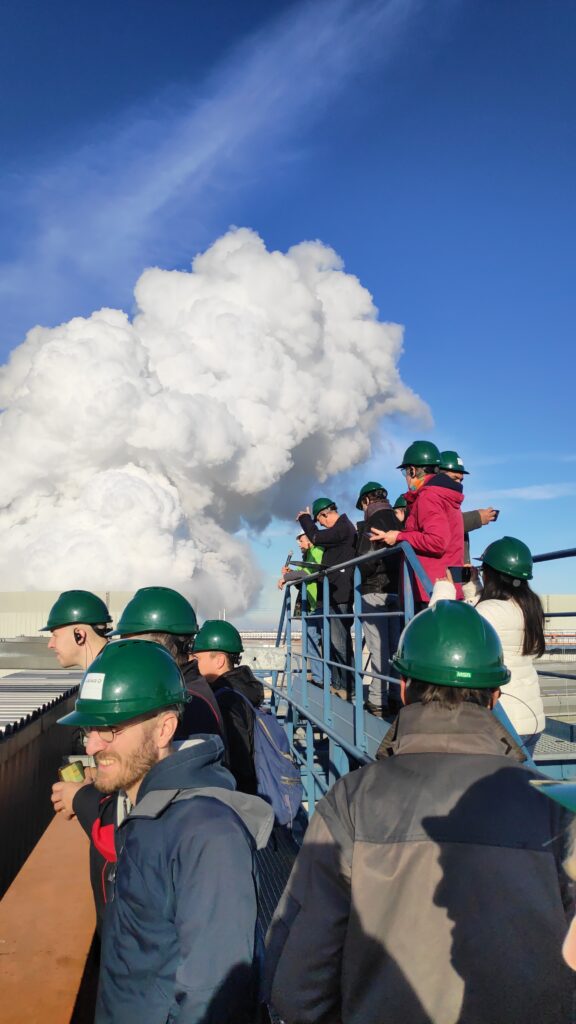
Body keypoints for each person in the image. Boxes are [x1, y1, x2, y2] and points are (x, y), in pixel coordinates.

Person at [265, 600, 574, 1024]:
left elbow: (299, 979)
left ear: (404, 687)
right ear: (495, 697)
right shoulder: (557, 803)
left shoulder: (350, 800)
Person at [58, 639, 274, 1024]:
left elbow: (214, 999)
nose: (92, 744)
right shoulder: (148, 811)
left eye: (110, 728)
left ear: (164, 730)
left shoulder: (208, 833)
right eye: (90, 728)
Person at [433, 536, 546, 755]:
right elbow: (491, 615)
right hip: (531, 719)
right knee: (518, 785)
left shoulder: (489, 611)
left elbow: (444, 635)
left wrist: (443, 592)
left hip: (502, 720)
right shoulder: (531, 606)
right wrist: (473, 587)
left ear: (492, 575)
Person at [112, 585, 223, 739]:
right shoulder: (181, 688)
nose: (126, 655)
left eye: (130, 646)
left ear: (156, 647)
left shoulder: (186, 702)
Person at [369, 441, 464, 608]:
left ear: (412, 470)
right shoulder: (444, 496)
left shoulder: (429, 496)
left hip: (430, 591)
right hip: (445, 588)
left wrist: (398, 536)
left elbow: (437, 541)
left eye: (405, 471)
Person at [192, 620, 265, 795]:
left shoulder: (226, 701)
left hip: (237, 799)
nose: (194, 663)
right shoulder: (242, 689)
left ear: (219, 661)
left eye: (198, 658)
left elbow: (238, 765)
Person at [297, 497, 356, 697]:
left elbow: (316, 537)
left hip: (339, 595)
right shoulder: (342, 528)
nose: (321, 524)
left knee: (340, 645)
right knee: (334, 644)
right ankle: (340, 685)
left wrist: (305, 518)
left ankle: (349, 687)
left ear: (325, 514)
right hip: (332, 594)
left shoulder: (343, 527)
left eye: (320, 520)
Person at [355, 481, 403, 716]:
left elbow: (365, 557)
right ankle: (395, 695)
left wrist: (359, 574)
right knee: (395, 648)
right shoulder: (396, 520)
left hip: (374, 590)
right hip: (396, 590)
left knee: (377, 648)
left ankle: (376, 699)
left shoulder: (372, 520)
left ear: (366, 501)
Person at [278, 532, 324, 685]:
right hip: (312, 605)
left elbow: (309, 572)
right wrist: (291, 574)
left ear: (310, 539)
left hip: (321, 603)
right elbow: (303, 581)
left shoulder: (317, 551)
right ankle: (319, 679)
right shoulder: (309, 554)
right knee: (311, 642)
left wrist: (286, 578)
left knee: (322, 642)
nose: (299, 544)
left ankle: (326, 679)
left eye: (301, 540)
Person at [438, 449, 498, 560]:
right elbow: (441, 526)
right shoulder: (431, 499)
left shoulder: (452, 503)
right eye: (454, 478)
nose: (458, 484)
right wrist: (477, 518)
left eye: (461, 480)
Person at [41, 589, 111, 669]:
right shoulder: (106, 674)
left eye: (55, 635)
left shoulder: (114, 678)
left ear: (79, 635)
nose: (50, 645)